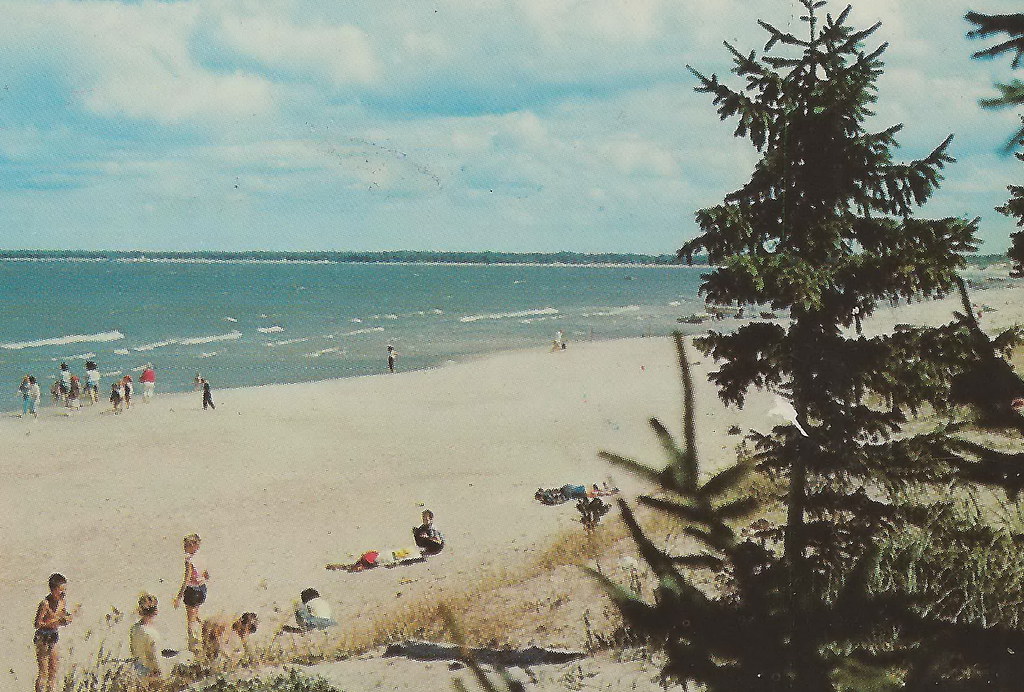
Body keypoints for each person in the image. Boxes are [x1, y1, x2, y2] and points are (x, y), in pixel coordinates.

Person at [34, 573, 72, 692]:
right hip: (43, 637)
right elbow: (37, 624)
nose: (63, 593)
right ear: (53, 590)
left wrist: (67, 618)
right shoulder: (45, 604)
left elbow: (63, 614)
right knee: (44, 671)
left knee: (54, 669)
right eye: (60, 590)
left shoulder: (62, 602)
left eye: (64, 590)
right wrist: (54, 622)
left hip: (54, 635)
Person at [173, 533, 209, 653]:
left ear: (194, 546)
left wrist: (179, 596)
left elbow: (187, 578)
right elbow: (206, 575)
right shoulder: (201, 558)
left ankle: (194, 645)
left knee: (191, 621)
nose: (184, 547)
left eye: (187, 545)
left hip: (192, 590)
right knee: (196, 614)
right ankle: (206, 632)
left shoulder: (189, 560)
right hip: (202, 588)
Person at [129, 593, 164, 683]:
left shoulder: (135, 628)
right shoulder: (151, 633)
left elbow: (133, 649)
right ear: (155, 612)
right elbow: (154, 655)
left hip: (138, 668)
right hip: (150, 673)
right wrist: (159, 672)